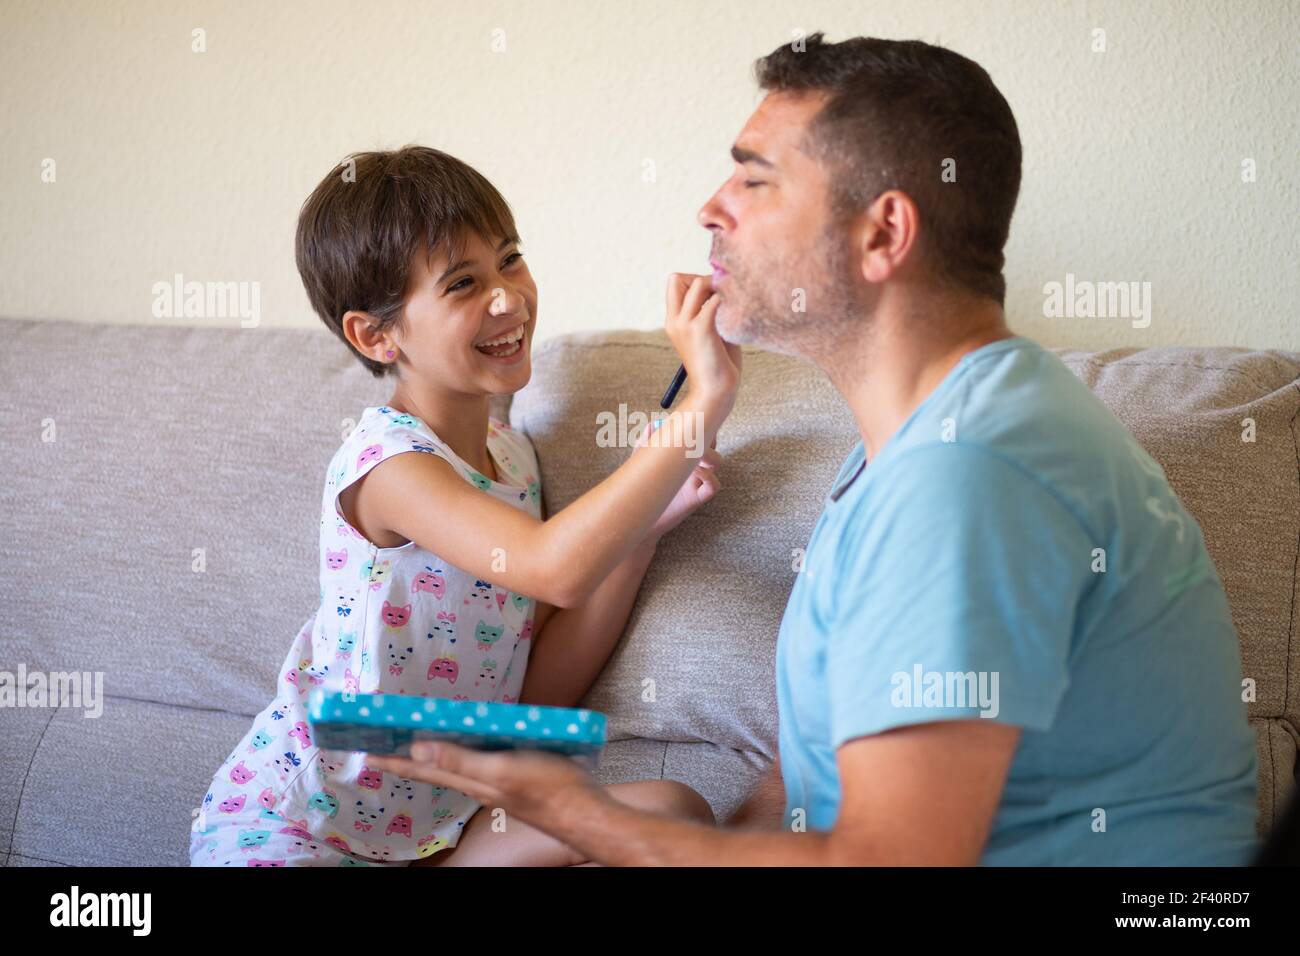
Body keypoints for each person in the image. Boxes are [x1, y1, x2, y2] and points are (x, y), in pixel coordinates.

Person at [373, 34, 1259, 866]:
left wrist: (586, 818)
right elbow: (800, 789)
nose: (708, 209)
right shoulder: (894, 462)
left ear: (883, 234)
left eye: (754, 182)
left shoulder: (973, 479)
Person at [189, 146, 740, 866]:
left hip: (440, 834)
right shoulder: (390, 467)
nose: (508, 298)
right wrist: (703, 400)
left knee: (677, 812)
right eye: (462, 283)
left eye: (510, 260)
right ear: (375, 333)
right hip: (300, 829)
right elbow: (556, 569)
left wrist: (642, 534)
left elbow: (531, 696)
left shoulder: (512, 462)